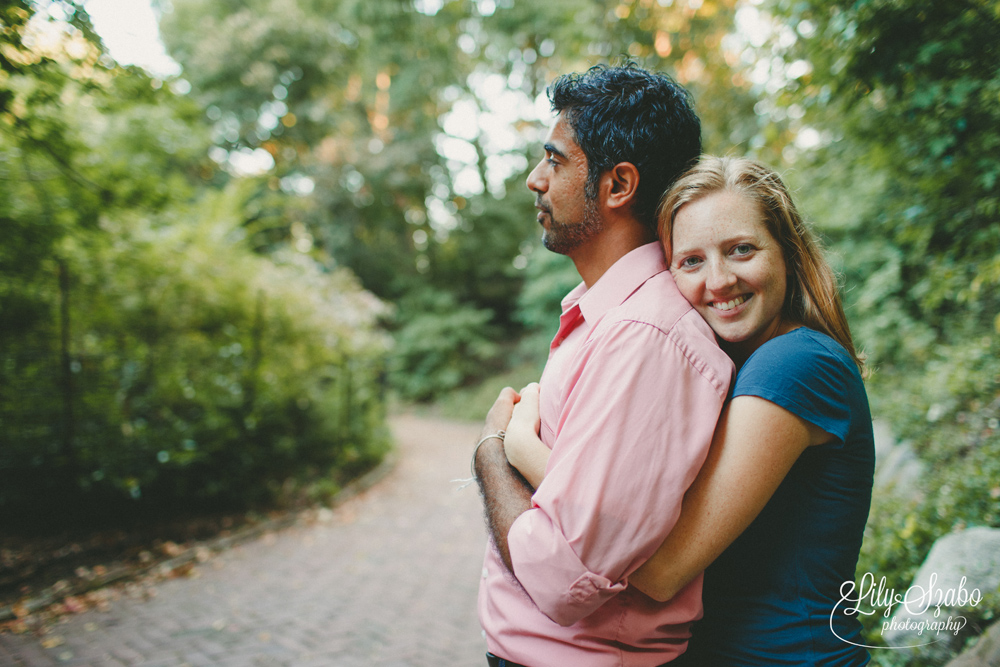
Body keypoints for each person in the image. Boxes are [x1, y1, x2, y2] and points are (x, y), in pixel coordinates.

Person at [504, 156, 875, 666]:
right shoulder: (734, 365)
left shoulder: (794, 364)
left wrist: (525, 449)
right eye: (692, 261)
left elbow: (659, 569)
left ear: (786, 252)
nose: (719, 280)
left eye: (741, 250)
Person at [472, 66, 734, 666]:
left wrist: (491, 451)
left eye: (555, 161)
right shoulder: (609, 318)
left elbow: (565, 576)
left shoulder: (647, 337)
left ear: (618, 185)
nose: (534, 180)